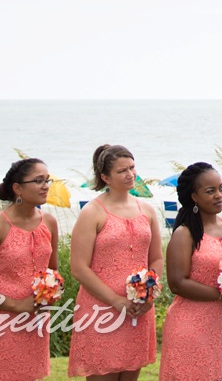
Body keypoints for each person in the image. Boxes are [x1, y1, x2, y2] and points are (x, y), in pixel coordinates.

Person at [0, 157, 61, 381]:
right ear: (17, 188)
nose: (45, 186)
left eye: (47, 180)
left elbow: (53, 272)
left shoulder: (49, 223)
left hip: (34, 323)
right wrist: (16, 304)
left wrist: (50, 293)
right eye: (38, 180)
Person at [69, 144, 163, 381]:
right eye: (122, 171)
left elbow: (156, 258)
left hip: (137, 309)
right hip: (101, 309)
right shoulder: (92, 212)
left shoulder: (148, 210)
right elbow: (79, 268)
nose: (130, 174)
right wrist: (115, 300)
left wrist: (148, 296)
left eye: (132, 167)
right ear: (104, 177)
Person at [160, 162, 222, 381]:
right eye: (210, 191)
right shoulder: (185, 234)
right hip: (191, 327)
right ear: (194, 197)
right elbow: (177, 283)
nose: (219, 195)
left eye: (221, 188)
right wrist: (221, 296)